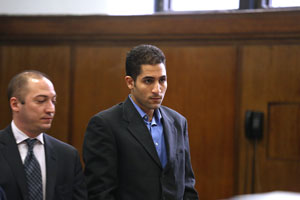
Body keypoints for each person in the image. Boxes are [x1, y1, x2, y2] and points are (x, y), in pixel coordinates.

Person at [83, 44, 199, 200]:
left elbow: (187, 186)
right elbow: (101, 193)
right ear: (130, 82)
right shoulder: (105, 124)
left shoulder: (178, 122)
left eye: (162, 80)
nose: (157, 89)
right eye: (148, 81)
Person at [0, 70, 87, 200]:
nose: (51, 109)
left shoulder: (67, 155)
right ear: (15, 104)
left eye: (53, 101)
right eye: (41, 101)